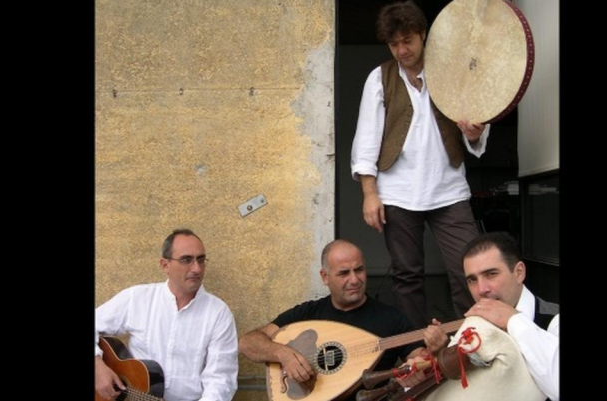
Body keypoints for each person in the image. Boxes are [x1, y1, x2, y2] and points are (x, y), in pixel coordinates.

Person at [350, 0, 489, 329]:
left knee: (468, 269)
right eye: (393, 44)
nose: (401, 50)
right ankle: (414, 349)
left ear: (423, 34)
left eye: (407, 41)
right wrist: (370, 194)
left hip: (449, 189)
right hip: (398, 192)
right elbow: (366, 139)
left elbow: (475, 129)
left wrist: (474, 133)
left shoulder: (452, 72)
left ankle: (473, 341)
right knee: (407, 276)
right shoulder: (379, 78)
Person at [238, 239, 449, 397]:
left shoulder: (391, 318)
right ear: (325, 277)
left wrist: (435, 351)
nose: (354, 280)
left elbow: (421, 360)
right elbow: (247, 343)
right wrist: (283, 354)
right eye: (344, 273)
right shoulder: (306, 313)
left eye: (359, 270)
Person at [94, 229, 238, 401]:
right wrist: (97, 367)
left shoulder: (218, 314)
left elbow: (221, 380)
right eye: (186, 260)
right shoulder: (137, 298)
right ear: (165, 265)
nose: (196, 268)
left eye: (200, 259)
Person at [461, 232, 559, 400]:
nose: (481, 289)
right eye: (472, 280)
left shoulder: (555, 320)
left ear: (519, 272)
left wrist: (513, 320)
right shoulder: (474, 325)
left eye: (491, 274)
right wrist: (441, 354)